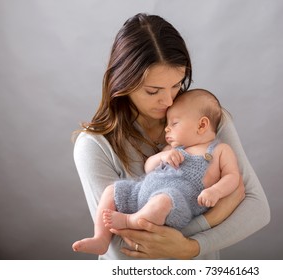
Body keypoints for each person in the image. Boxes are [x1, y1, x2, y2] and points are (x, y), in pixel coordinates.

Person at [73, 13, 270, 260]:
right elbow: (123, 247)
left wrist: (192, 248)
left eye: (176, 85)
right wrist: (212, 219)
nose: (168, 101)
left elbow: (257, 208)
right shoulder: (94, 145)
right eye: (153, 91)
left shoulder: (206, 123)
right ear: (121, 82)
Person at [72, 89, 240, 255]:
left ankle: (130, 220)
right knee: (113, 190)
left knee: (163, 200)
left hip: (175, 203)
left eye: (174, 123)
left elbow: (232, 176)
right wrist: (162, 156)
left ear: (202, 125)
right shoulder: (173, 148)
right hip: (141, 193)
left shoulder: (219, 150)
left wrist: (215, 191)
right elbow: (148, 167)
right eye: (167, 124)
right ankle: (101, 238)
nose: (167, 129)